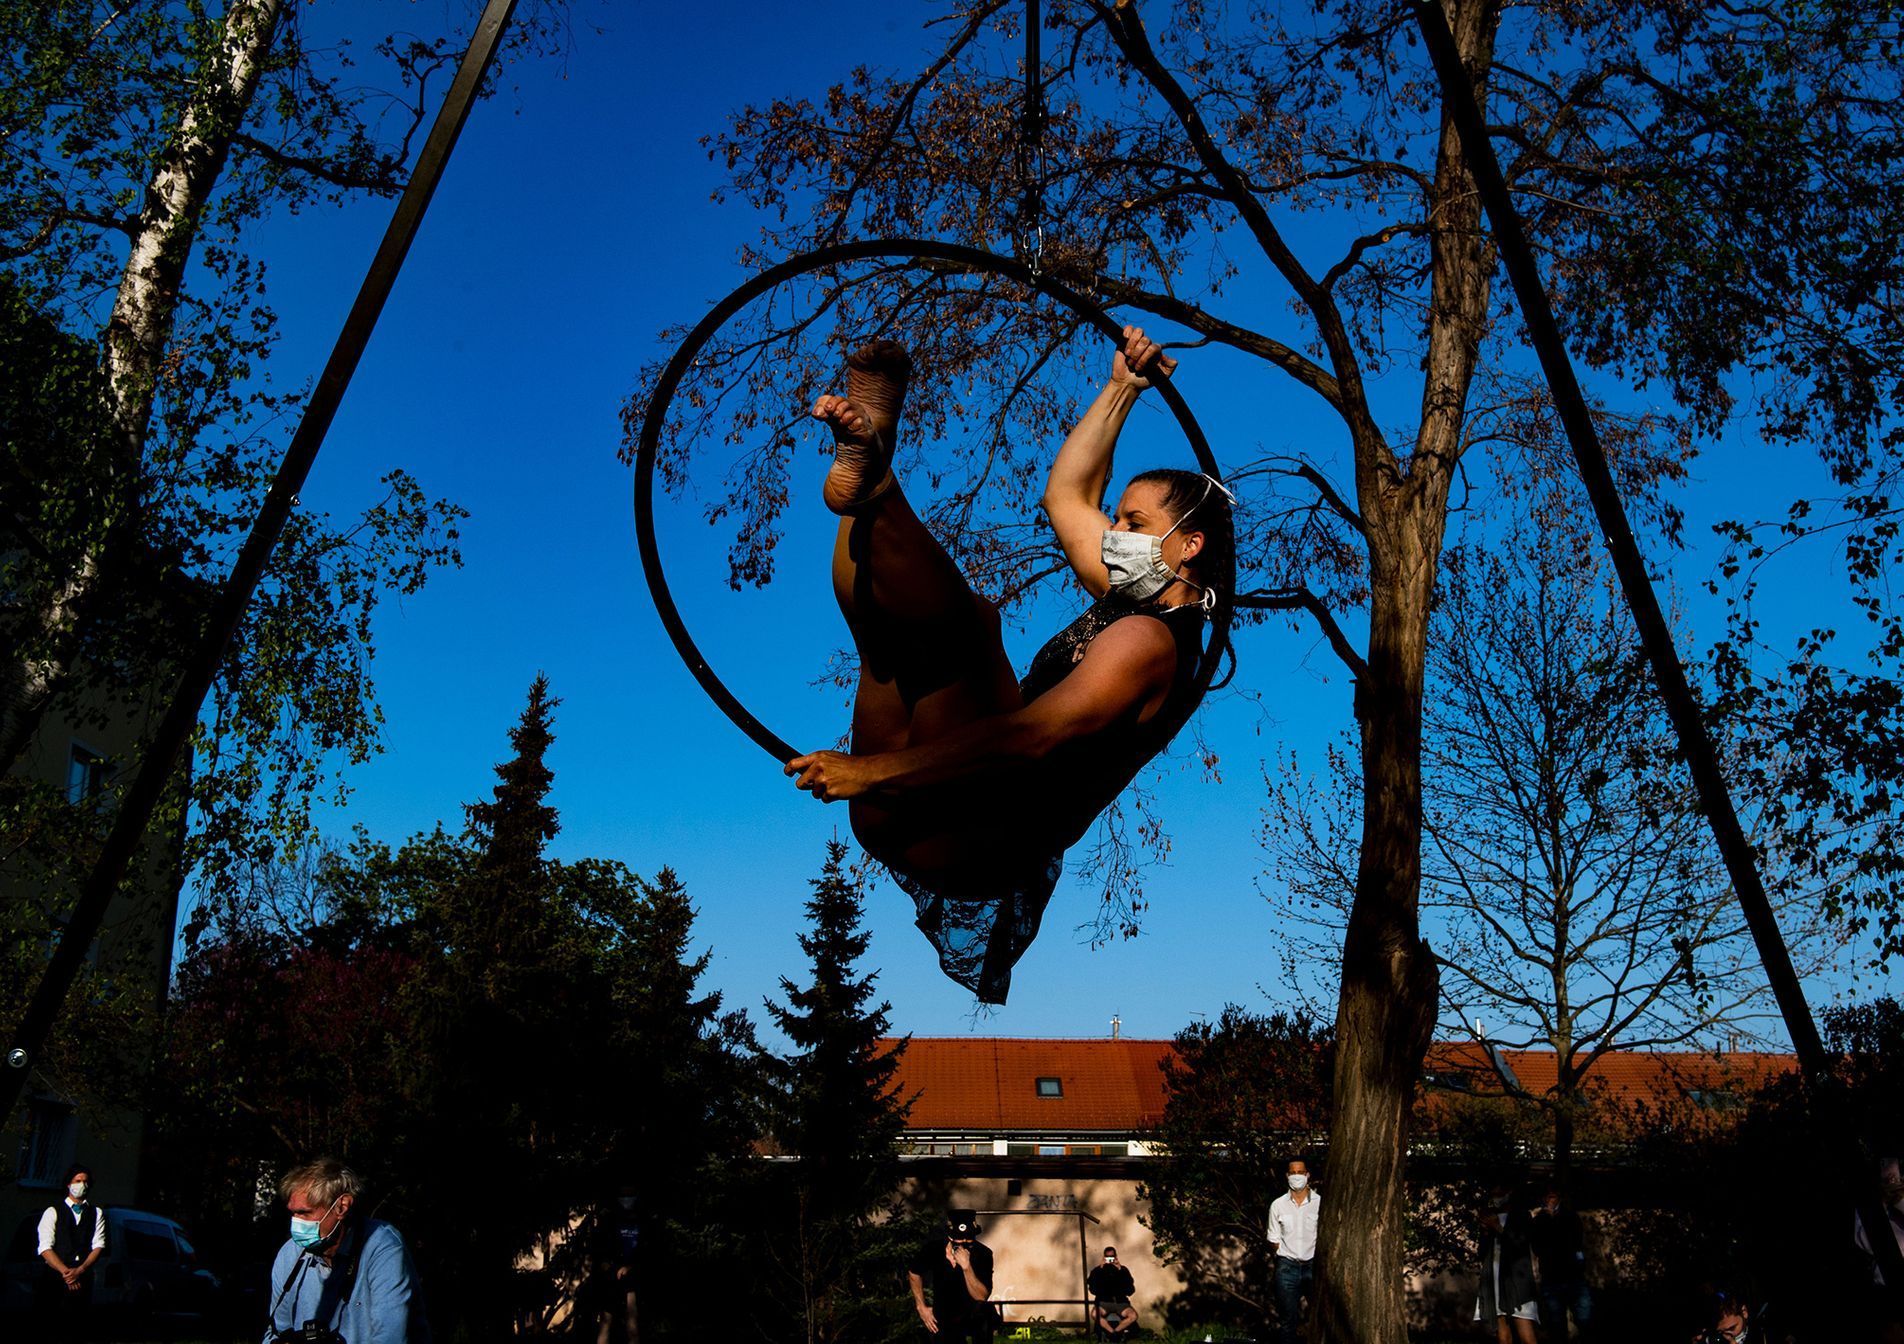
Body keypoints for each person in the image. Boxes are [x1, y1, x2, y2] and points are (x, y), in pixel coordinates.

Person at [786, 328, 1234, 1002]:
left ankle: (876, 473)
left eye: (1133, 523)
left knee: (971, 631)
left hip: (973, 834)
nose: (1114, 535)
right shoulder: (1129, 595)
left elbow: (1035, 736)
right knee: (889, 645)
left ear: (1188, 543)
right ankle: (871, 457)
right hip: (911, 806)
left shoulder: (1154, 644)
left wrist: (868, 771)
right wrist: (1121, 388)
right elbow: (1064, 498)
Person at [264, 1158, 428, 1343]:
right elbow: (277, 1331)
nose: (296, 1222)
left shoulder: (382, 1247)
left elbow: (391, 1336)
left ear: (341, 1206)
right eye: (293, 1213)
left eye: (305, 1213)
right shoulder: (290, 1255)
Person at [36, 1162, 105, 1336]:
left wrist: (80, 1270)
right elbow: (45, 1247)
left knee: (76, 1327)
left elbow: (98, 1245)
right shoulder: (53, 1212)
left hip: (83, 1277)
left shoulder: (97, 1213)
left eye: (85, 1181)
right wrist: (67, 1273)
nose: (82, 1185)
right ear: (69, 1183)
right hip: (55, 1278)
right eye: (78, 1180)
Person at [907, 1209, 995, 1342]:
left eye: (969, 1240)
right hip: (943, 1315)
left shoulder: (983, 1254)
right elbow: (914, 1273)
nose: (964, 1244)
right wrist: (921, 1307)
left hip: (971, 1316)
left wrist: (967, 1268)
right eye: (959, 1241)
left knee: (984, 1311)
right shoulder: (933, 1249)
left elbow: (981, 1296)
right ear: (950, 1237)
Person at [1475, 1187, 1539, 1344]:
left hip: (1517, 1281)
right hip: (1494, 1279)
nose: (1495, 1197)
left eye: (1499, 1193)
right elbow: (1482, 1253)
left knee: (1526, 1335)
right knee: (1503, 1336)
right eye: (1493, 1194)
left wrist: (1497, 1227)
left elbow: (1520, 1245)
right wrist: (1484, 1231)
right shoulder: (1490, 1215)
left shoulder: (1521, 1215)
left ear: (1508, 1192)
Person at [1266, 1158, 1320, 1344]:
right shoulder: (1278, 1205)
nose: (1297, 1176)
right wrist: (1286, 1253)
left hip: (1314, 1267)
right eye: (1293, 1173)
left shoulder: (1320, 1203)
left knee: (1321, 1319)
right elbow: (1273, 1238)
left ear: (1307, 1175)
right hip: (1287, 1267)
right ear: (1287, 1176)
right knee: (1288, 1321)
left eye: (1300, 1172)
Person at [1530, 1184, 1591, 1341]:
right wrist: (1547, 1220)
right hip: (1551, 1277)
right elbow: (1537, 1247)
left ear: (1559, 1198)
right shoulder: (1539, 1220)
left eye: (1552, 1196)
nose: (1549, 1200)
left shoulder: (1570, 1216)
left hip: (1573, 1275)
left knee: (1584, 1319)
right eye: (1546, 1196)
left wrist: (1553, 1221)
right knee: (1556, 1324)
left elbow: (1574, 1241)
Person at [1087, 1245, 1137, 1338]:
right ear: (1104, 1257)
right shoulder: (1098, 1270)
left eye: (1112, 1257)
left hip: (1121, 1302)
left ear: (1115, 1256)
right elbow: (1092, 1286)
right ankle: (1112, 1333)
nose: (1110, 1259)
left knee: (1133, 1316)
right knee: (1094, 1314)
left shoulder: (1123, 1270)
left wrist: (1120, 1269)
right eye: (1107, 1257)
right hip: (1103, 1302)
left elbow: (1130, 1287)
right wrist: (1100, 1269)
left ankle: (1115, 1332)